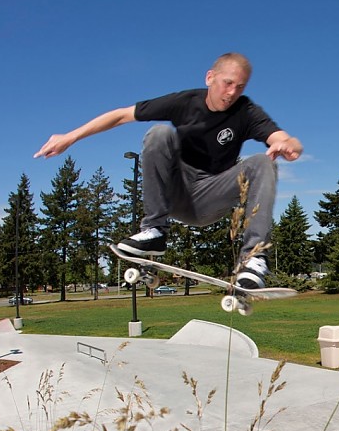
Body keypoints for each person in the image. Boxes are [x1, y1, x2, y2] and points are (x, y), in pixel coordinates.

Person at [34, 52, 302, 289]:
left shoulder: (247, 111)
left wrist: (289, 145)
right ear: (210, 77)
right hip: (174, 192)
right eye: (227, 83)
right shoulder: (184, 102)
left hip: (211, 198)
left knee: (263, 162)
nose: (232, 93)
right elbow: (121, 115)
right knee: (159, 133)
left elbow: (285, 139)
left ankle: (253, 258)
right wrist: (71, 136)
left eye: (239, 86)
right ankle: (155, 231)